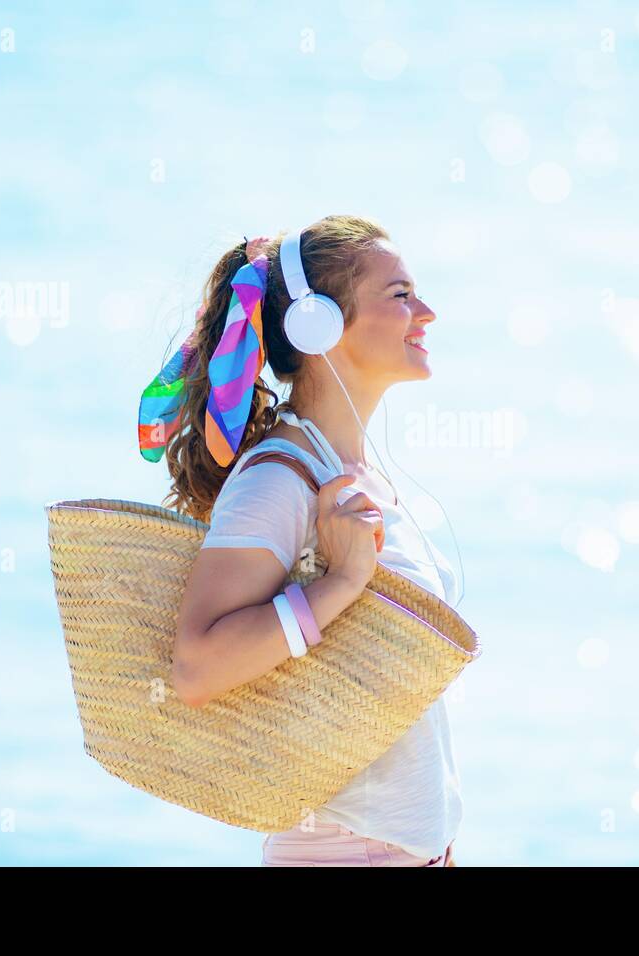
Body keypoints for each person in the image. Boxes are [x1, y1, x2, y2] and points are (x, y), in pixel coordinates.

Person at [156, 215, 461, 866]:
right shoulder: (277, 480)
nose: (427, 312)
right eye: (401, 295)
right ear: (319, 324)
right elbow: (196, 667)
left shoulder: (351, 471)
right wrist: (340, 585)